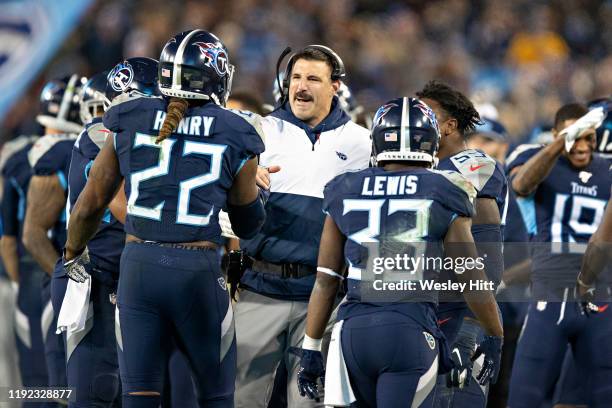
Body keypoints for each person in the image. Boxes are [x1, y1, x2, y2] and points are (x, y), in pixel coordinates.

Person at [63, 29, 265, 408]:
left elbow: (91, 203)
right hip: (199, 271)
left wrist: (72, 251)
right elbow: (248, 223)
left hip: (139, 269)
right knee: (215, 395)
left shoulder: (127, 117)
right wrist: (257, 190)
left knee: (139, 396)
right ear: (216, 75)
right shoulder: (238, 131)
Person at [293, 97, 503, 407]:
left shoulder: (345, 187)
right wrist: (494, 334)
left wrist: (311, 346)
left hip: (352, 332)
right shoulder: (446, 189)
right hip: (410, 328)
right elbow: (471, 278)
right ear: (431, 141)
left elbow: (325, 280)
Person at [233, 45, 371, 408]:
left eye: (313, 78)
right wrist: (245, 179)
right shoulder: (260, 131)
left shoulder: (362, 144)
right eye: (296, 78)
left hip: (323, 298)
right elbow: (225, 208)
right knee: (242, 400)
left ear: (335, 87)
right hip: (259, 288)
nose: (301, 87)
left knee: (309, 403)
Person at [506, 103, 611, 408]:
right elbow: (521, 185)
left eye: (588, 137)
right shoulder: (534, 157)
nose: (581, 146)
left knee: (603, 394)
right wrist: (559, 143)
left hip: (601, 292)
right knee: (525, 395)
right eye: (573, 137)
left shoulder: (608, 168)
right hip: (551, 290)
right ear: (555, 135)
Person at [51, 65, 144, 407]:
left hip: (127, 276)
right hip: (96, 276)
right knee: (96, 390)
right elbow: (118, 202)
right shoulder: (100, 135)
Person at [416, 80, 507, 408]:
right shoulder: (415, 162)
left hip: (457, 313)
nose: (415, 123)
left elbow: (486, 258)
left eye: (425, 116)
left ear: (450, 125)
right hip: (414, 310)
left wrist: (473, 321)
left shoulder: (475, 167)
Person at [22, 74, 84, 402]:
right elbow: (31, 234)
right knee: (60, 383)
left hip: (41, 274)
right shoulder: (64, 152)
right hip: (61, 272)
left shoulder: (19, 151)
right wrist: (67, 280)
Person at [0, 135, 46, 398]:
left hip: (22, 273)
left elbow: (8, 242)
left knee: (30, 375)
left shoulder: (16, 166)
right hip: (50, 268)